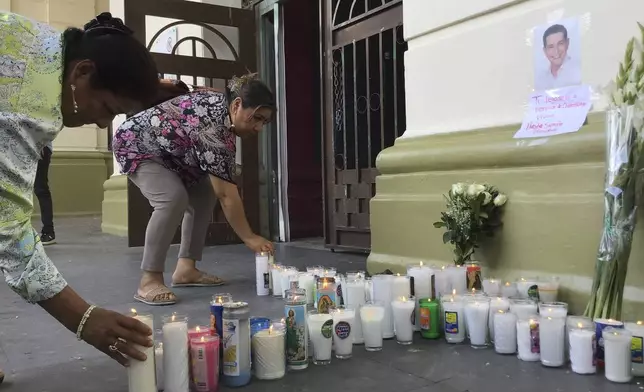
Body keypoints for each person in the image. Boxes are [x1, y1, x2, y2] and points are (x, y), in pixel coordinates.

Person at [0, 11, 161, 376]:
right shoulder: (29, 102)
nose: (103, 122)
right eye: (107, 109)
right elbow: (8, 231)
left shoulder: (44, 43)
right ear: (82, 72)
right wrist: (83, 318)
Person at [113, 74, 276, 306]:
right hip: (136, 143)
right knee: (172, 199)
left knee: (204, 193)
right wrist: (249, 238)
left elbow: (220, 187)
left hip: (171, 153)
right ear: (237, 105)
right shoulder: (213, 127)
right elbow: (227, 194)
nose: (259, 128)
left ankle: (185, 270)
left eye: (264, 122)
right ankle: (149, 279)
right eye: (256, 118)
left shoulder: (223, 114)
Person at [534, 23, 581, 91]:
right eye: (551, 47)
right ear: (545, 51)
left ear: (567, 43)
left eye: (560, 44)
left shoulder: (578, 70)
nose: (556, 51)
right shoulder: (540, 79)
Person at [34, 141, 56, 245]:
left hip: (40, 146)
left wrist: (42, 142)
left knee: (40, 188)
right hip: (18, 146)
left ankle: (48, 231)